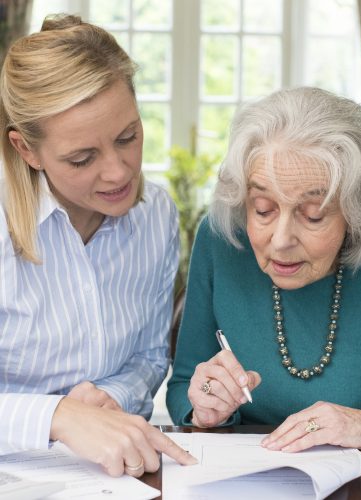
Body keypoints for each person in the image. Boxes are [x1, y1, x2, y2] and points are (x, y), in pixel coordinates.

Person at [0, 14, 197, 476]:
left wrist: (111, 397)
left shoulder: (156, 216)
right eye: (82, 158)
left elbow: (149, 357)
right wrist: (60, 417)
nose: (119, 172)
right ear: (26, 150)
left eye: (128, 137)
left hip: (113, 475)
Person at [167, 86, 361, 453]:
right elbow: (183, 386)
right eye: (263, 209)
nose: (280, 240)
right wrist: (206, 410)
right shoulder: (223, 239)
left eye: (313, 215)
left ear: (355, 214)